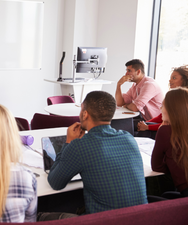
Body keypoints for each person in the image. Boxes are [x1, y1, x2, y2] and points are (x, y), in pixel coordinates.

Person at [43, 91, 147, 220]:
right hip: (141, 219)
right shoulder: (128, 138)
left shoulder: (79, 146)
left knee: (41, 215)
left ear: (85, 114)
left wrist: (69, 142)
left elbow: (55, 182)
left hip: (102, 221)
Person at [151, 87, 188, 199]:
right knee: (167, 195)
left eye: (163, 106)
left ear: (172, 109)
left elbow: (156, 166)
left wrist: (171, 165)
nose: (160, 109)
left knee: (149, 199)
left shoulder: (166, 131)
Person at [137, 65, 188, 137]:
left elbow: (172, 124)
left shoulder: (183, 99)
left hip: (176, 132)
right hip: (166, 127)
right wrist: (145, 123)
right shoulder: (171, 96)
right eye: (170, 78)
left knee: (144, 131)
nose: (170, 80)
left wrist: (147, 127)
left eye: (174, 78)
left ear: (185, 80)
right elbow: (160, 117)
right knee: (138, 127)